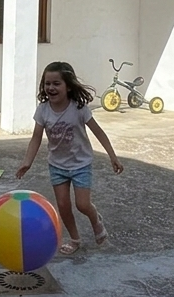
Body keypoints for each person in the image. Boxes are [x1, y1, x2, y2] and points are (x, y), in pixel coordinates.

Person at [16, 61, 123, 254]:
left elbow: (98, 132)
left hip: (81, 163)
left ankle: (96, 220)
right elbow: (36, 138)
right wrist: (27, 162)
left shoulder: (78, 108)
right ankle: (75, 239)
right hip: (57, 165)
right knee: (63, 206)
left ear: (68, 86)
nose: (51, 87)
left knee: (82, 204)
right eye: (47, 83)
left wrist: (112, 156)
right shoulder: (43, 110)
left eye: (56, 83)